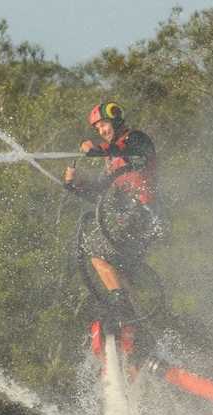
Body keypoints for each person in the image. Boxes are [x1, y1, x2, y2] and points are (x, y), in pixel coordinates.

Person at [63, 102, 162, 356]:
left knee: (97, 254)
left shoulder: (136, 140)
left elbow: (132, 154)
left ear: (116, 120)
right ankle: (135, 325)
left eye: (104, 124)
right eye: (97, 128)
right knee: (118, 271)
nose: (101, 130)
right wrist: (75, 185)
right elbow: (99, 194)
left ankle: (122, 307)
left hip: (141, 214)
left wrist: (97, 150)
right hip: (128, 216)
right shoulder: (111, 159)